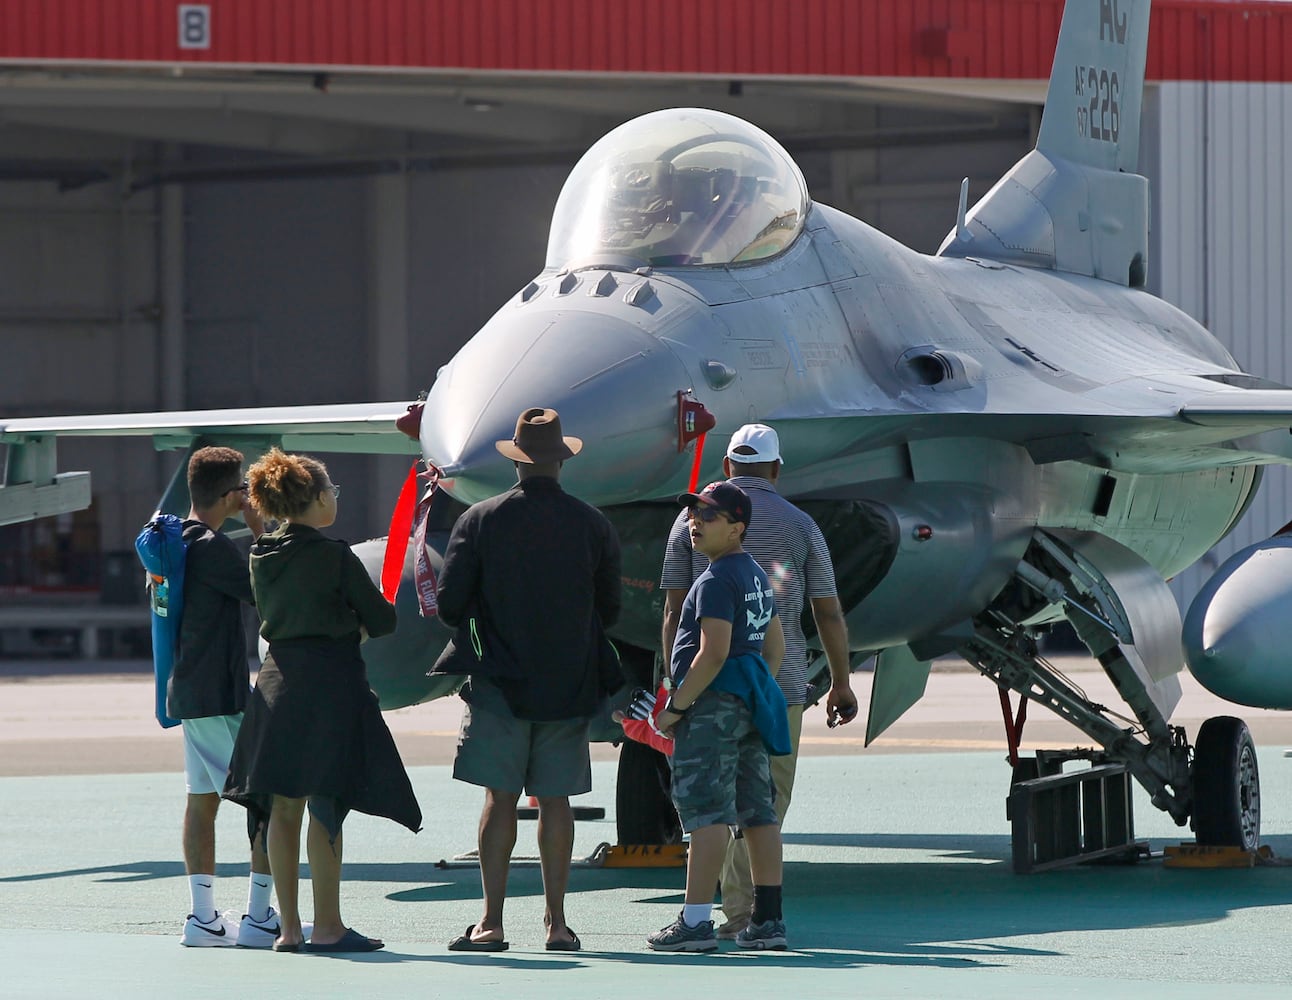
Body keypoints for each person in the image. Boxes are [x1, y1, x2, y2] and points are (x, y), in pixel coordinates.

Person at [432, 407, 622, 953]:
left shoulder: (481, 519)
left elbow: (449, 604)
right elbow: (608, 608)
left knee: (500, 798)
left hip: (499, 683)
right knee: (555, 801)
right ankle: (557, 925)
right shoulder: (592, 523)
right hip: (570, 682)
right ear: (561, 460)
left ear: (515, 460)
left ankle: (490, 922)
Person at [661, 423, 856, 939]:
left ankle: (721, 915)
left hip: (707, 692)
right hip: (778, 691)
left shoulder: (690, 526)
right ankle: (757, 916)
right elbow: (826, 612)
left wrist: (675, 693)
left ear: (728, 466)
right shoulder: (800, 527)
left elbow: (675, 609)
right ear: (775, 469)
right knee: (764, 805)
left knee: (709, 808)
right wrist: (838, 680)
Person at [223, 448, 422, 953]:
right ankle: (328, 924)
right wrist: (350, 624)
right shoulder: (335, 555)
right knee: (327, 805)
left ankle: (289, 929)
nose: (335, 498)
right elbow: (382, 621)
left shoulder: (260, 554)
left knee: (281, 808)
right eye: (331, 491)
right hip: (330, 687)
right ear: (313, 500)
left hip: (275, 687)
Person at [647, 481, 789, 952]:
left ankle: (694, 923)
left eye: (709, 516)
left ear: (736, 528)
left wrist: (677, 707)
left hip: (710, 708)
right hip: (748, 704)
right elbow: (775, 648)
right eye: (694, 515)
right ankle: (768, 922)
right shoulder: (755, 575)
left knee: (707, 813)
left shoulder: (715, 580)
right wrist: (750, 687)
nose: (695, 522)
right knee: (757, 813)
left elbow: (712, 653)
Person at [170, 445, 278, 948]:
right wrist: (259, 529)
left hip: (191, 691)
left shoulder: (177, 540)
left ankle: (203, 917)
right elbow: (267, 591)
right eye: (242, 487)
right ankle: (258, 918)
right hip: (219, 694)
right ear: (229, 493)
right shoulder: (213, 547)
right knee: (265, 799)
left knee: (202, 801)